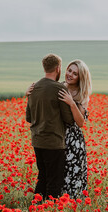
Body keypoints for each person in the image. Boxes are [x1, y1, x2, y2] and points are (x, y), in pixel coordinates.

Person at [26, 59, 92, 199]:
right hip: (56, 136)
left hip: (73, 141)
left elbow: (80, 122)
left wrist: (71, 103)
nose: (70, 74)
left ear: (81, 77)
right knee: (55, 174)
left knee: (70, 174)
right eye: (69, 70)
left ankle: (65, 203)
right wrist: (30, 95)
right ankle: (51, 202)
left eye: (75, 73)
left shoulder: (82, 95)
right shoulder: (59, 87)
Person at [26, 53, 74, 201]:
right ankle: (48, 211)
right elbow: (69, 119)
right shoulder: (59, 89)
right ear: (58, 68)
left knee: (43, 177)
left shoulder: (33, 87)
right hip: (54, 142)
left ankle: (36, 207)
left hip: (37, 141)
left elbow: (29, 117)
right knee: (54, 180)